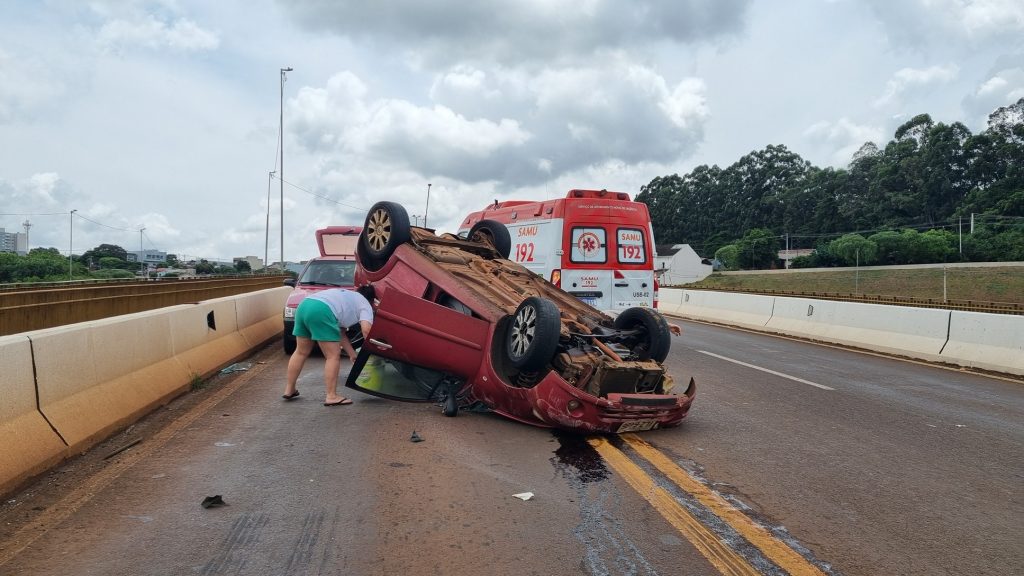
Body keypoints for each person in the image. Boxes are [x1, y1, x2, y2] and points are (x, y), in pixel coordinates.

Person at [282, 284, 376, 406]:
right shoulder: (366, 304)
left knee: (300, 352)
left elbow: (340, 333)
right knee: (333, 356)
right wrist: (372, 352)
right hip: (322, 310)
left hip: (304, 305)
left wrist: (352, 354)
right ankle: (331, 396)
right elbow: (366, 330)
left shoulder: (347, 297)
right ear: (372, 300)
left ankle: (289, 389)